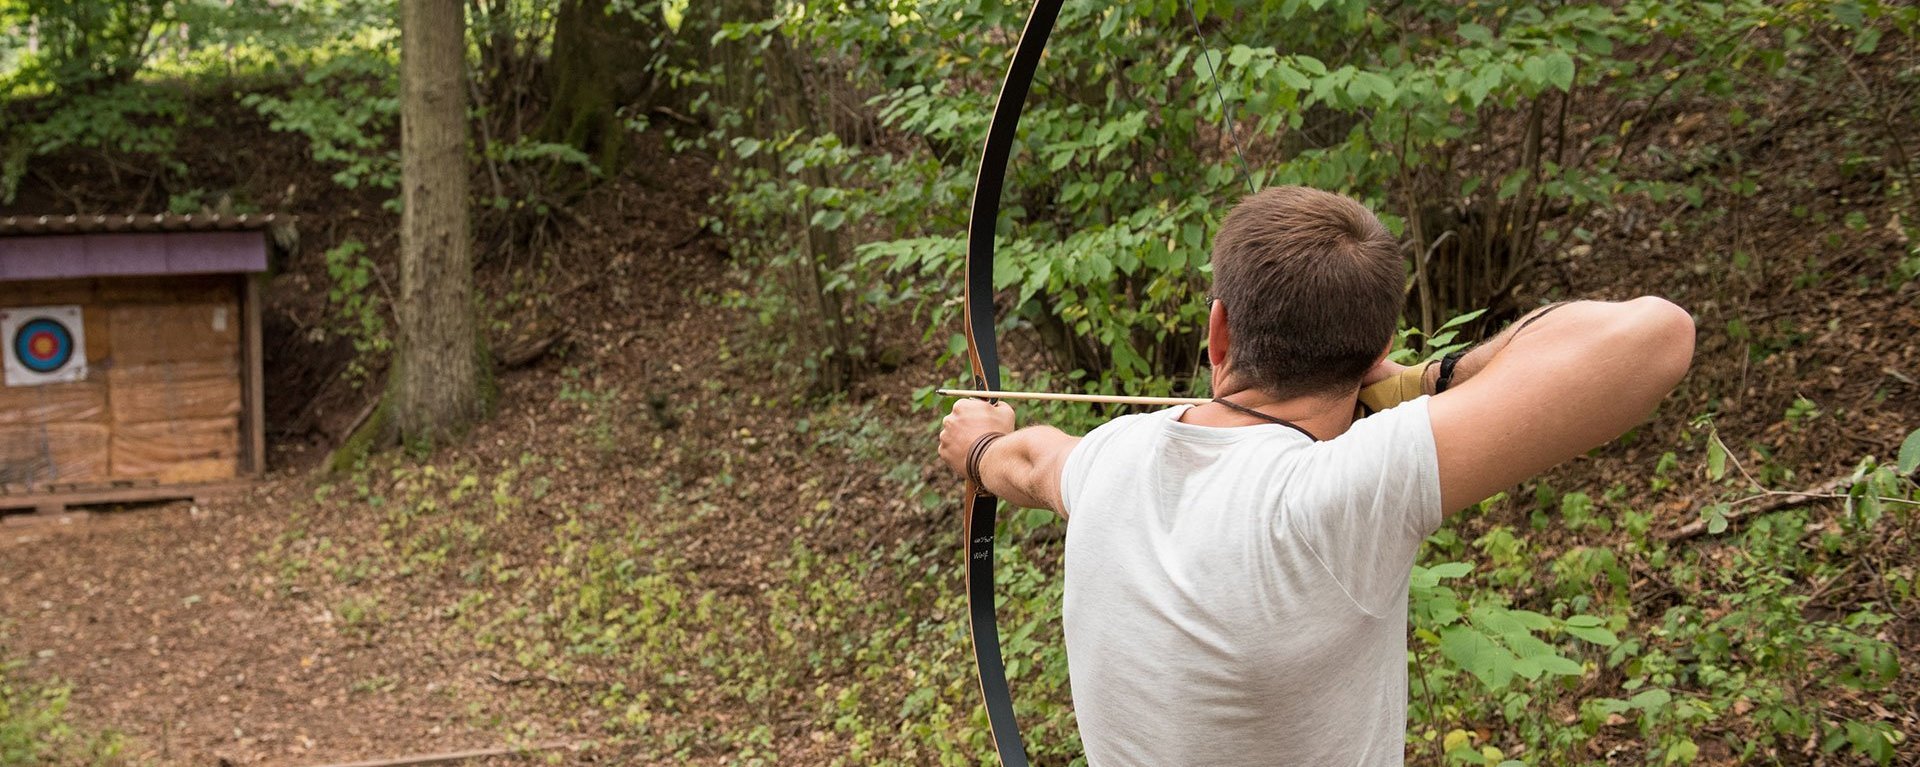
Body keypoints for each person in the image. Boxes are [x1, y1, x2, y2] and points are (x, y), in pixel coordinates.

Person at [936, 186, 1694, 766]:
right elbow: (1656, 333)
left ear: (1218, 330)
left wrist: (978, 448)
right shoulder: (1336, 498)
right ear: (1376, 351)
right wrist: (1425, 378)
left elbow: (1032, 461)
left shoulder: (1116, 456)